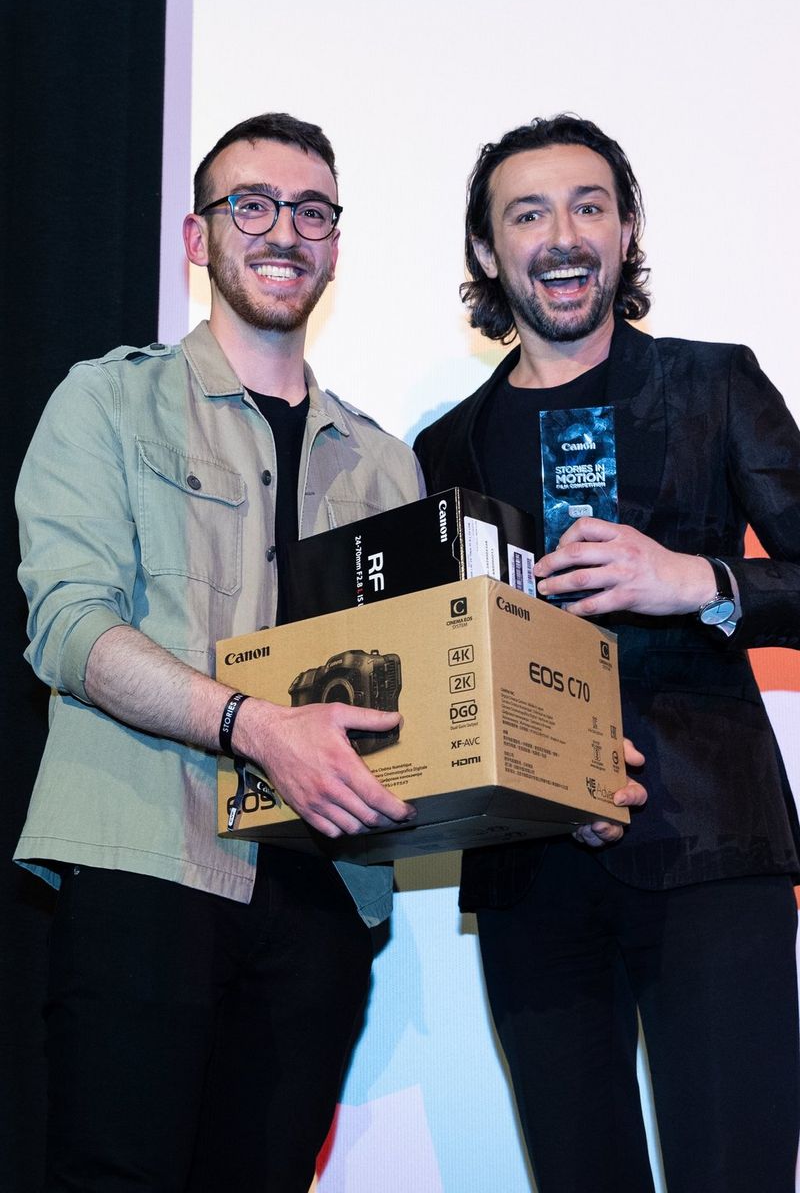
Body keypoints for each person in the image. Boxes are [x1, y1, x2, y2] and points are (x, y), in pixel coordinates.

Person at [15, 112, 425, 1193]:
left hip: (324, 897)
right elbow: (67, 624)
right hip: (147, 858)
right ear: (198, 239)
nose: (282, 230)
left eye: (311, 211)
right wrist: (253, 728)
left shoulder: (389, 468)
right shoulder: (104, 399)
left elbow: (431, 697)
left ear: (335, 244)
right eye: (251, 204)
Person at [414, 114, 800, 1193]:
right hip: (528, 873)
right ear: (487, 254)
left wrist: (703, 582)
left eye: (588, 205)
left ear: (625, 232)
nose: (563, 234)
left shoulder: (714, 385)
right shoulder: (442, 448)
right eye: (526, 213)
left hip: (708, 857)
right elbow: (448, 676)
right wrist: (533, 785)